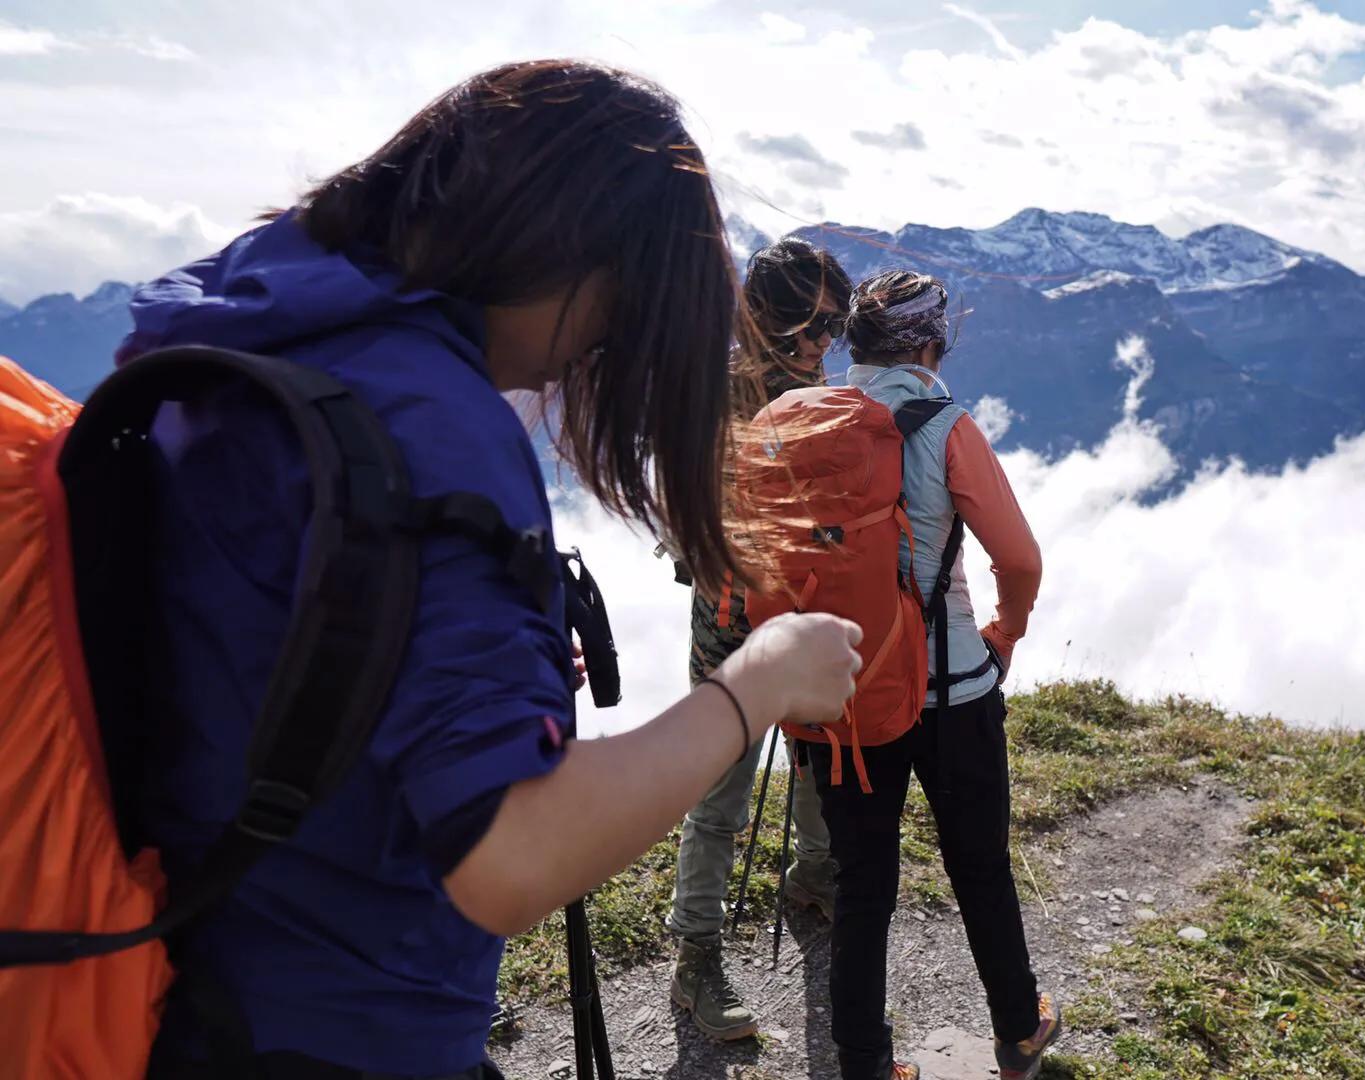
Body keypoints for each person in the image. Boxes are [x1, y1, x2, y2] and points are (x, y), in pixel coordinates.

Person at [122, 60, 862, 1080]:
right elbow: (506, 857)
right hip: (354, 1025)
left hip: (194, 979)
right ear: (568, 249)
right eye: (627, 299)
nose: (602, 349)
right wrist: (761, 682)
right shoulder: (435, 422)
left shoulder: (259, 315)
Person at [801, 271, 1061, 1080]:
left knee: (862, 881)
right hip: (952, 690)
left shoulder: (805, 425)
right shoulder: (946, 426)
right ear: (928, 343)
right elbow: (1016, 558)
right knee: (978, 863)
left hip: (846, 689)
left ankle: (865, 1063)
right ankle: (1019, 1031)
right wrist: (1004, 633)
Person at [668, 238, 851, 1040]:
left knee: (816, 755)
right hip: (733, 617)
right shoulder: (724, 391)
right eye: (812, 329)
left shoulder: (809, 382)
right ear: (768, 319)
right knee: (722, 789)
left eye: (835, 329)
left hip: (802, 603)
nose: (823, 347)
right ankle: (695, 958)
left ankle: (813, 876)